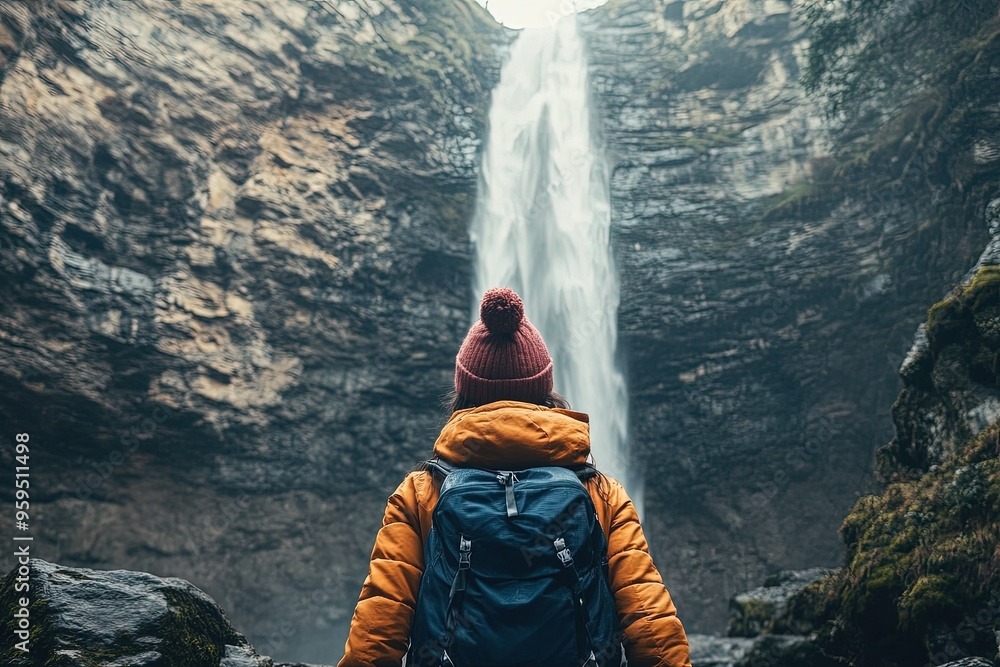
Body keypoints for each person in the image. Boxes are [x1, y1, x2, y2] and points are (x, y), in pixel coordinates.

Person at [338, 287, 691, 667]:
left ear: (464, 393)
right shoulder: (601, 492)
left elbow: (380, 624)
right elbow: (647, 618)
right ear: (545, 390)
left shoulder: (421, 492)